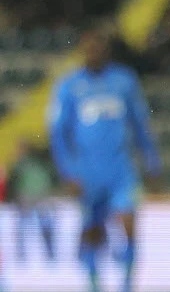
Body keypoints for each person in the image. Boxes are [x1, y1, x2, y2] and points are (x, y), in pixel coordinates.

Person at [48, 29, 161, 292]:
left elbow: (140, 125)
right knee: (92, 232)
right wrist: (68, 173)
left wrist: (152, 164)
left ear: (106, 51)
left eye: (97, 48)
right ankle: (93, 285)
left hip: (121, 170)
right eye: (88, 49)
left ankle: (126, 285)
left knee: (129, 224)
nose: (93, 53)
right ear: (81, 51)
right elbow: (59, 135)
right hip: (87, 174)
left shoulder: (124, 81)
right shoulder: (69, 86)